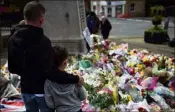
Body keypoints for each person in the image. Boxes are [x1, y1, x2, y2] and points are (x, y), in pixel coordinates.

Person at [8, 1, 84, 112]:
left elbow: (12, 68)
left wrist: (27, 72)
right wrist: (75, 79)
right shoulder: (43, 42)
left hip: (25, 91)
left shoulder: (12, 40)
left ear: (25, 17)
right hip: (42, 92)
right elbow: (51, 72)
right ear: (41, 20)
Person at [45, 46, 86, 112]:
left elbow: (50, 104)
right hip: (76, 109)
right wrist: (80, 85)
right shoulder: (73, 79)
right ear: (65, 62)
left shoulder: (48, 82)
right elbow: (83, 97)